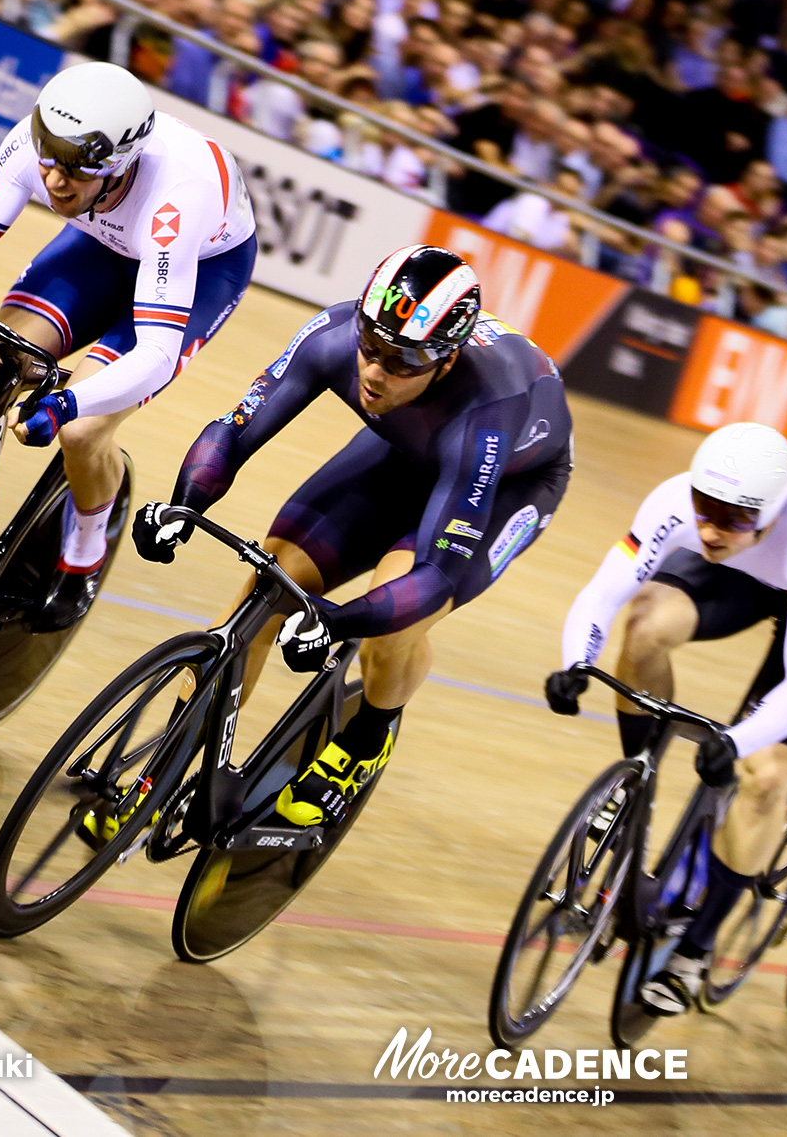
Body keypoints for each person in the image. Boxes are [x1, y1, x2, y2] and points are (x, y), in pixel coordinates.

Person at [133, 246, 573, 829]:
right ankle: (165, 766)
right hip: (406, 445)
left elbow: (435, 573)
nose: (374, 371)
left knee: (392, 627)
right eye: (371, 347)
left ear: (444, 363)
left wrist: (334, 619)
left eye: (401, 363)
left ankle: (367, 738)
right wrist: (183, 504)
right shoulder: (336, 334)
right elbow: (236, 430)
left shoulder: (486, 409)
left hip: (508, 483)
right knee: (266, 587)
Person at [0, 61, 257, 632]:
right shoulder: (39, 147)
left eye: (77, 169)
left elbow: (153, 356)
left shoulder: (178, 197)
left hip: (198, 267)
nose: (55, 180)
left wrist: (68, 405)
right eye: (50, 158)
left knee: (82, 433)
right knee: (5, 359)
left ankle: (83, 552)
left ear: (120, 163)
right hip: (104, 243)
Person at [545, 422, 787, 1016]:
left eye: (729, 519)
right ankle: (638, 780)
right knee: (647, 627)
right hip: (746, 569)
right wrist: (578, 661)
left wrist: (739, 739)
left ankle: (695, 951)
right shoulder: (683, 500)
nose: (707, 528)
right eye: (705, 509)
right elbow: (605, 593)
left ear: (770, 513)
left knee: (765, 778)